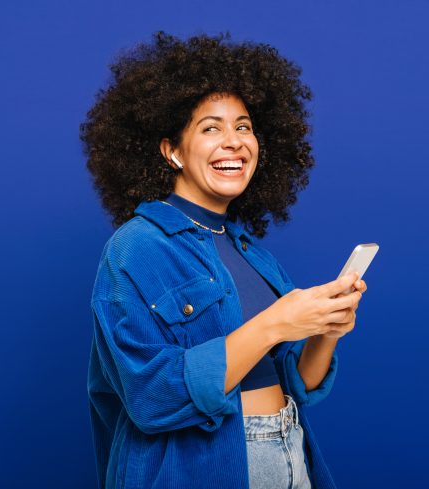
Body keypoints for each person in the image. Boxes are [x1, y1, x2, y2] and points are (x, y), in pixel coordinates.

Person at [81, 31, 367, 489]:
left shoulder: (251, 252)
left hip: (289, 452)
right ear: (171, 150)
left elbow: (298, 384)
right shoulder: (137, 248)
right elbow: (151, 398)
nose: (234, 142)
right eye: (210, 127)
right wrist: (275, 322)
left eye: (244, 126)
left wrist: (326, 332)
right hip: (202, 468)